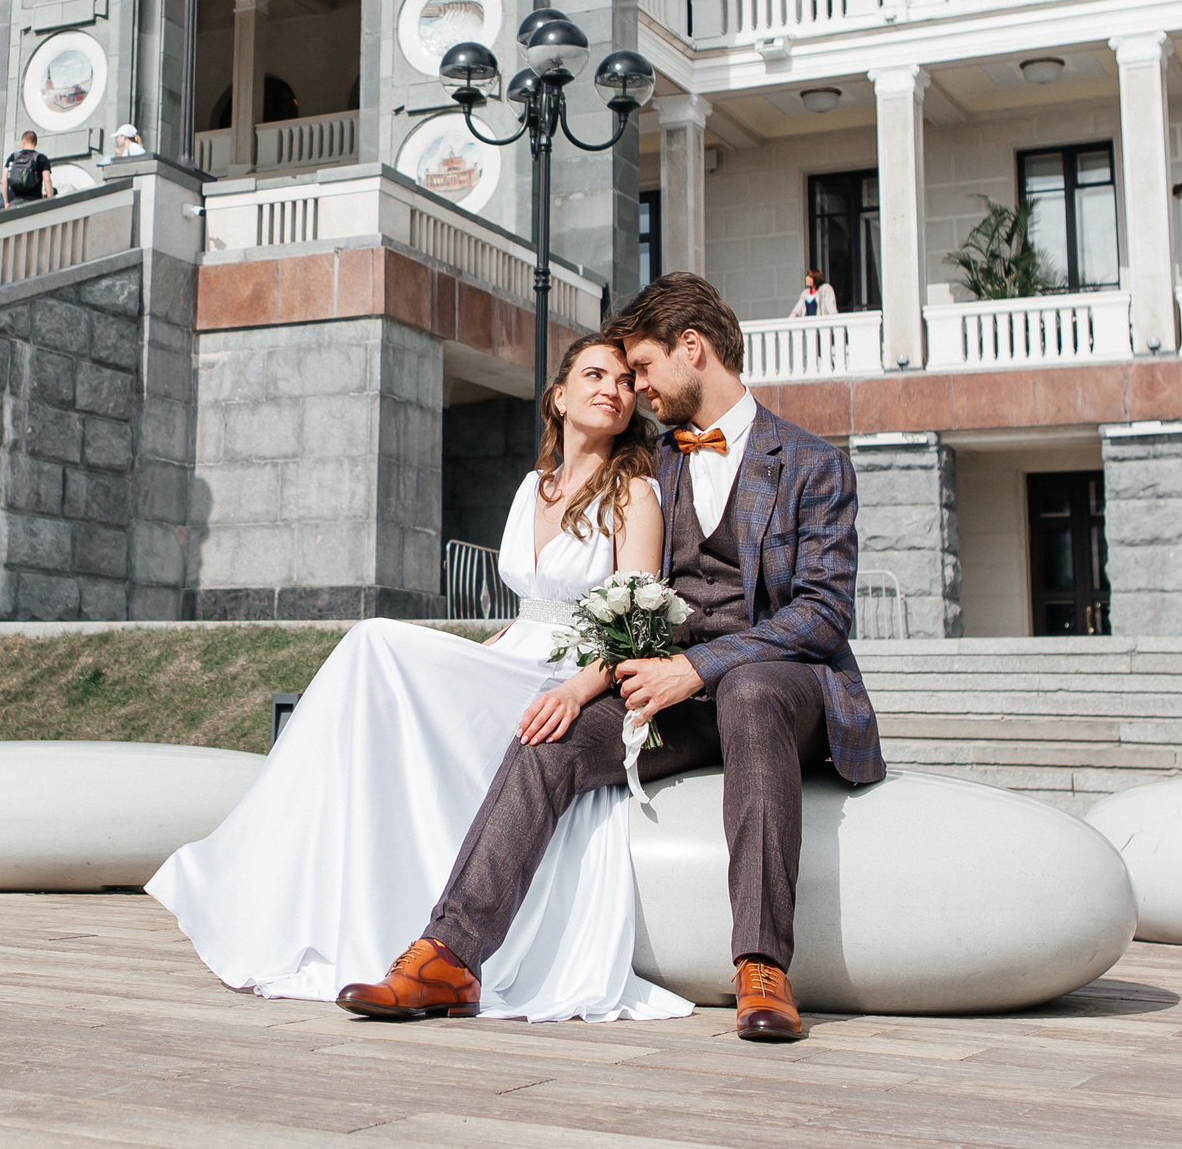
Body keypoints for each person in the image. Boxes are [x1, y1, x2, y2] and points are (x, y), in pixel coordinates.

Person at [334, 272, 884, 1045]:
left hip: (780, 691)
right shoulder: (651, 468)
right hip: (666, 695)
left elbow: (823, 614)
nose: (638, 390)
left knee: (751, 690)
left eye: (644, 369)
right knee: (551, 735)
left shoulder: (812, 463)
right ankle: (449, 954)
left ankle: (762, 963)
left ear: (692, 349)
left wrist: (698, 667)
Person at [148, 335, 692, 1024]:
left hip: (570, 672)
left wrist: (577, 690)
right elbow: (525, 608)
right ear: (558, 396)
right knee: (373, 662)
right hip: (512, 651)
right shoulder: (534, 487)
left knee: (374, 639)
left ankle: (432, 946)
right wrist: (482, 648)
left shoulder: (633, 493)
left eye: (621, 379)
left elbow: (635, 631)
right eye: (593, 374)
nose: (611, 387)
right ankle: (300, 891)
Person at [3, 131, 52, 206]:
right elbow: (47, 180)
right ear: (35, 142)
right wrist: (50, 200)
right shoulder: (41, 158)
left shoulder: (13, 157)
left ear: (23, 141)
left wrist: (6, 202)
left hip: (14, 201)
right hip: (34, 201)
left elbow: (4, 181)